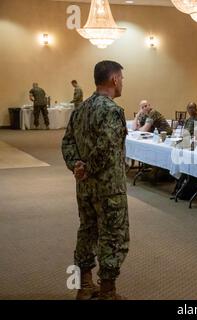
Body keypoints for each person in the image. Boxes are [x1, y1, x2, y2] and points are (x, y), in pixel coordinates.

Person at [61, 60, 129, 300]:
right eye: (121, 78)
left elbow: (67, 142)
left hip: (85, 187)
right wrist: (88, 168)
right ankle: (107, 291)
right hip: (109, 187)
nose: (122, 83)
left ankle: (85, 285)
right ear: (113, 79)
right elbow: (107, 147)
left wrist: (76, 167)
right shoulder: (111, 110)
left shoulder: (81, 108)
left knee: (87, 231)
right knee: (113, 236)